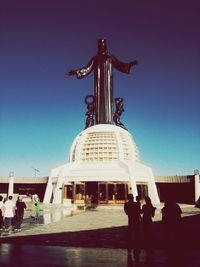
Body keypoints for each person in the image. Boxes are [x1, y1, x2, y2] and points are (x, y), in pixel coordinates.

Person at [67, 38, 138, 125]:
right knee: (99, 101)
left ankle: (111, 120)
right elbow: (87, 69)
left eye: (104, 43)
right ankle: (97, 121)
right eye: (101, 44)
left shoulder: (111, 57)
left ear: (106, 45)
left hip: (108, 85)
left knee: (108, 101)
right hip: (99, 85)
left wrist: (129, 65)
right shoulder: (95, 59)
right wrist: (76, 72)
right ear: (98, 46)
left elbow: (120, 65)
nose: (102, 45)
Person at [124, 194, 141, 262]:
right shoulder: (136, 204)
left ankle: (130, 247)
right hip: (136, 221)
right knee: (136, 234)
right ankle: (136, 246)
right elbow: (139, 211)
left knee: (131, 234)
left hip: (131, 221)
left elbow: (127, 212)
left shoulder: (126, 204)